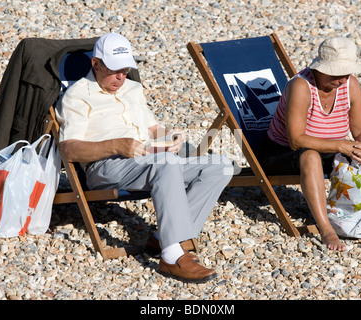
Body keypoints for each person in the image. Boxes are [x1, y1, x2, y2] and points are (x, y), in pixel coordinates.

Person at [56, 32, 233, 283]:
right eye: (115, 70)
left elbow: (152, 129)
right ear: (95, 64)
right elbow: (68, 149)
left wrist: (170, 136)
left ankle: (163, 238)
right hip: (105, 167)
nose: (121, 76)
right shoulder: (77, 95)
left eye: (125, 69)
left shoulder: (132, 88)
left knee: (220, 166)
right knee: (168, 163)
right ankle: (172, 256)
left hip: (149, 160)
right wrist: (115, 145)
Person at [256, 37, 361, 252]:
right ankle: (326, 228)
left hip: (327, 149)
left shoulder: (350, 85)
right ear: (320, 69)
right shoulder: (300, 86)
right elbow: (296, 140)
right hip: (279, 153)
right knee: (310, 155)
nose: (341, 80)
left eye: (345, 74)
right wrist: (342, 146)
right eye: (336, 74)